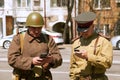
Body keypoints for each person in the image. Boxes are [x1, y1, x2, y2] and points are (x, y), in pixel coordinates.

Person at [8, 12, 62, 80]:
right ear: (28, 26)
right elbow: (12, 59)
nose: (37, 31)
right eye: (34, 28)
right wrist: (31, 61)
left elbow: (58, 58)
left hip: (43, 77)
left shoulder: (47, 39)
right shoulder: (19, 38)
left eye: (39, 28)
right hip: (24, 77)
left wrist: (51, 60)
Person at [69, 12, 113, 80]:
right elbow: (73, 66)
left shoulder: (103, 41)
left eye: (86, 30)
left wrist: (88, 56)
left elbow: (107, 63)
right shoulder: (76, 43)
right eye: (81, 30)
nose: (83, 32)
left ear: (92, 26)